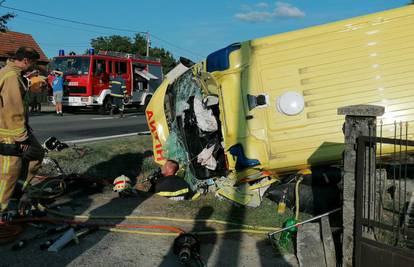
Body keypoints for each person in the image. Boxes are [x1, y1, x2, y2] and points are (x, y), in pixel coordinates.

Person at [0, 47, 45, 220]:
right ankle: (2, 211)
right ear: (26, 61)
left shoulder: (11, 72)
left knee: (36, 153)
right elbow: (13, 108)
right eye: (32, 63)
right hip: (8, 132)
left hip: (15, 128)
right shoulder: (11, 76)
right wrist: (21, 136)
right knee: (8, 171)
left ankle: (17, 191)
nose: (33, 67)